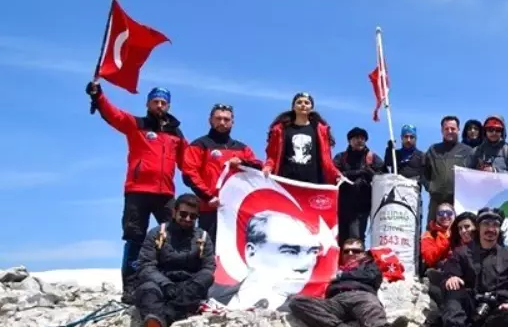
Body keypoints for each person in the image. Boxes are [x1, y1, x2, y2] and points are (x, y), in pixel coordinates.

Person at [86, 81, 187, 285]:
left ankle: (171, 280)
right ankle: (131, 285)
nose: (160, 106)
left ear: (168, 106)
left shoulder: (176, 134)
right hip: (137, 191)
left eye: (163, 103)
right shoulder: (137, 125)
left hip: (165, 194)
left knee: (173, 235)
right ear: (148, 104)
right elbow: (115, 115)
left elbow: (188, 162)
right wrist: (98, 96)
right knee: (135, 237)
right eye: (155, 102)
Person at [288, 238, 411, 327]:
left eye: (355, 251)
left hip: (361, 295)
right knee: (297, 302)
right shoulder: (334, 267)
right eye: (347, 251)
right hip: (336, 301)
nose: (351, 253)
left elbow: (373, 277)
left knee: (371, 307)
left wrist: (341, 276)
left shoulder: (369, 266)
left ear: (363, 253)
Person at [127, 194, 214, 327]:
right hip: (160, 283)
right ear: (174, 212)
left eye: (193, 216)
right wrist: (165, 284)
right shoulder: (156, 233)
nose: (187, 218)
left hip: (187, 286)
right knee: (147, 290)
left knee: (200, 285)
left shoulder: (203, 237)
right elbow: (146, 265)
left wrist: (195, 284)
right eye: (183, 214)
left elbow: (208, 268)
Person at [182, 103, 262, 238]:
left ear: (232, 122)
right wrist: (208, 197)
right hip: (210, 208)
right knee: (208, 250)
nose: (222, 122)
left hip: (236, 209)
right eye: (218, 118)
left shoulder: (242, 148)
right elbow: (189, 174)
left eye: (226, 119)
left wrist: (243, 162)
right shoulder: (199, 145)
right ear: (210, 120)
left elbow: (259, 167)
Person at [417, 211, 476, 327]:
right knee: (437, 282)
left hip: (476, 293)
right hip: (455, 287)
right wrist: (451, 276)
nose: (463, 231)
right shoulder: (434, 236)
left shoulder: (488, 247)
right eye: (460, 228)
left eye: (467, 227)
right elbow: (432, 258)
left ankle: (436, 320)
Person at [263, 93, 341, 185]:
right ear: (293, 107)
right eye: (299, 102)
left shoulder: (320, 131)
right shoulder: (281, 130)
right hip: (285, 182)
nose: (303, 105)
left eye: (306, 103)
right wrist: (268, 167)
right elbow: (272, 156)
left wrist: (336, 175)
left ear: (311, 108)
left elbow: (327, 159)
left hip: (313, 184)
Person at [334, 127, 386, 243]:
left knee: (355, 237)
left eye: (362, 138)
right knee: (340, 237)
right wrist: (359, 173)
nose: (360, 141)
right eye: (356, 138)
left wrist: (368, 175)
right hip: (343, 205)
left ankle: (357, 260)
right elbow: (333, 173)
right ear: (349, 141)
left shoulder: (372, 158)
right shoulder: (341, 157)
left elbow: (383, 177)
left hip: (362, 206)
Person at [423, 116, 474, 214]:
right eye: (446, 129)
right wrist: (431, 187)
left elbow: (474, 176)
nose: (450, 131)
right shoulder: (433, 150)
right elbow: (423, 172)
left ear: (458, 129)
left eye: (453, 128)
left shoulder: (468, 151)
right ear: (442, 130)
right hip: (436, 201)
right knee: (433, 229)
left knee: (460, 228)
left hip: (460, 202)